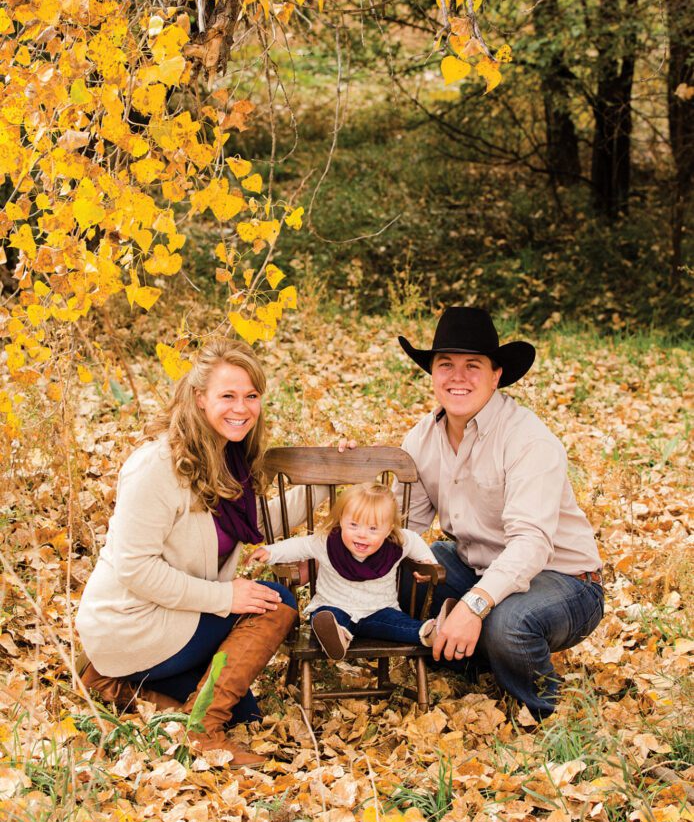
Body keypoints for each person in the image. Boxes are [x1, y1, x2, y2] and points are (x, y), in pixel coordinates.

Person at [76, 338, 310, 767]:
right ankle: (200, 730)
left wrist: (328, 486)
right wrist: (225, 597)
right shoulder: (156, 465)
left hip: (176, 617)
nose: (242, 408)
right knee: (277, 602)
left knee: (246, 715)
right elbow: (135, 568)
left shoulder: (227, 458)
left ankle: (111, 683)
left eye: (251, 396)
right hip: (131, 622)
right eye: (228, 396)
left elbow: (258, 524)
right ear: (200, 398)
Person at [393, 306, 604, 720]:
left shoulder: (528, 439)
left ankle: (542, 711)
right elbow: (404, 531)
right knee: (407, 570)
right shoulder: (421, 438)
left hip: (565, 580)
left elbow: (531, 545)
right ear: (432, 372)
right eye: (446, 364)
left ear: (496, 375)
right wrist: (352, 470)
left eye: (473, 365)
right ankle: (475, 660)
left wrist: (472, 605)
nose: (457, 377)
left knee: (506, 623)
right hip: (477, 567)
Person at [247, 482, 451, 660]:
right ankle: (337, 638)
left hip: (379, 610)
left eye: (373, 529)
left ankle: (431, 632)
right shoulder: (327, 543)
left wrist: (428, 561)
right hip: (334, 606)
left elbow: (415, 541)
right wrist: (270, 552)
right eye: (353, 525)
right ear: (341, 521)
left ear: (388, 529)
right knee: (326, 617)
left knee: (398, 624)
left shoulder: (397, 544)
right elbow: (299, 546)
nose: (362, 534)